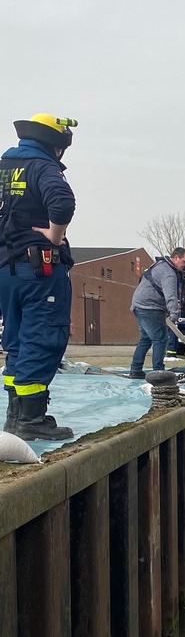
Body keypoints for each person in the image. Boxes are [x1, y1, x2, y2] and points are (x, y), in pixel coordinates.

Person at [0, 113, 79, 440]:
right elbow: (62, 202)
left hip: (6, 267)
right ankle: (32, 420)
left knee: (16, 338)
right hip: (38, 269)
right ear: (55, 145)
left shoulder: (5, 166)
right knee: (43, 336)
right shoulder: (43, 166)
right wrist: (54, 237)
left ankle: (14, 418)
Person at [129, 247, 185, 378]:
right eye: (184, 261)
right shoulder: (168, 273)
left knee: (146, 339)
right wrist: (174, 314)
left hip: (139, 305)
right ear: (176, 258)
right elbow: (171, 295)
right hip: (149, 307)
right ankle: (159, 371)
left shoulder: (159, 265)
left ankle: (136, 369)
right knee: (161, 338)